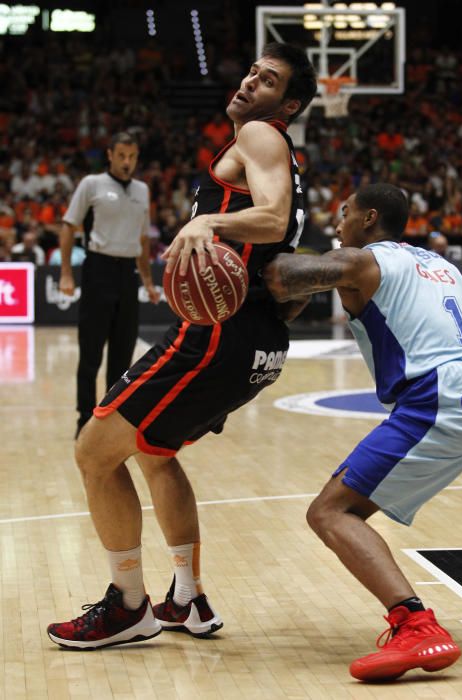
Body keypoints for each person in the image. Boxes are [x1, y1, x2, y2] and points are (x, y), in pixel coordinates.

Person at [47, 42, 317, 650]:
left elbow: (273, 220)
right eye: (251, 70)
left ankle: (128, 606)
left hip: (217, 334)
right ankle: (187, 598)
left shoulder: (262, 137)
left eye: (268, 80)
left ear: (288, 103)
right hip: (256, 339)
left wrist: (207, 222)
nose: (250, 82)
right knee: (155, 452)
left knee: (94, 452)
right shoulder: (270, 148)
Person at [264, 183, 462, 682]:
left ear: (370, 219)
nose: (339, 221)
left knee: (332, 511)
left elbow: (281, 277)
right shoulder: (440, 265)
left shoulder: (362, 261)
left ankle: (415, 625)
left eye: (345, 213)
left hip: (441, 395)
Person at [59, 132, 160, 437]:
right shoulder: (91, 185)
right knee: (91, 353)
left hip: (128, 273)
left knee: (123, 353)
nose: (127, 162)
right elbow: (67, 226)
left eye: (132, 157)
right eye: (121, 156)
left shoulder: (143, 190)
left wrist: (148, 281)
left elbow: (143, 240)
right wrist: (66, 272)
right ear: (110, 155)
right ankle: (84, 421)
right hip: (98, 269)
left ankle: (111, 422)